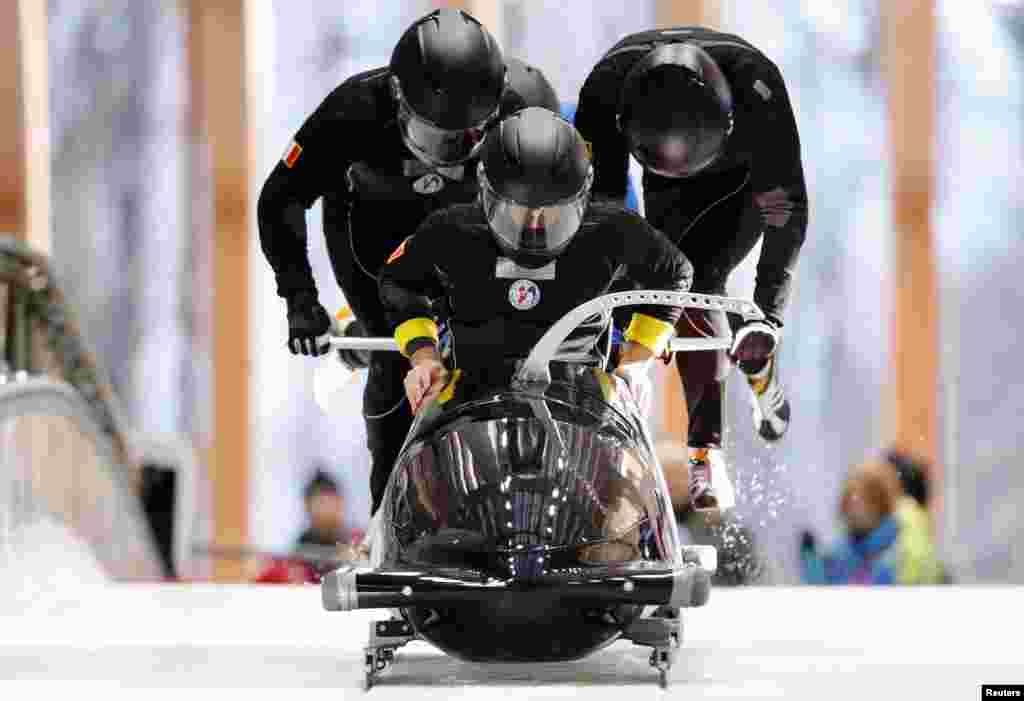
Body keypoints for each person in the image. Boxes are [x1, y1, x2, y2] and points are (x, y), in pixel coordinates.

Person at [256, 8, 561, 516]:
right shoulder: (353, 109)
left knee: (501, 351)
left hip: (476, 230)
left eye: (468, 137)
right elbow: (280, 198)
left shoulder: (525, 103)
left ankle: (518, 506)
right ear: (400, 101)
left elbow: (571, 201)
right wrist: (300, 299)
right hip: (372, 241)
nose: (451, 152)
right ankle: (391, 514)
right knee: (396, 359)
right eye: (440, 136)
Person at [574, 28, 809, 514]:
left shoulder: (758, 91)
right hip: (663, 188)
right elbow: (603, 215)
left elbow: (786, 212)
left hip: (737, 184)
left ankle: (711, 442)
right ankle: (677, 424)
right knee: (664, 278)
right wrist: (614, 326)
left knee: (700, 282)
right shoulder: (605, 90)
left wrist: (768, 312)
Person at [377, 107, 693, 418]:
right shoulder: (452, 230)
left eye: (553, 211)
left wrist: (636, 362)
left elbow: (674, 273)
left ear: (581, 198)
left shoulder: (612, 230)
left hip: (580, 401)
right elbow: (399, 280)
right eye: (519, 210)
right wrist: (424, 357)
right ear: (488, 194)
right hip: (472, 403)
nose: (534, 226)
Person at [799, 458, 944, 585]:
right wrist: (810, 560)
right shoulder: (845, 547)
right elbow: (825, 579)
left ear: (880, 504)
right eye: (848, 501)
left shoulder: (895, 552)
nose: (852, 511)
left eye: (860, 502)